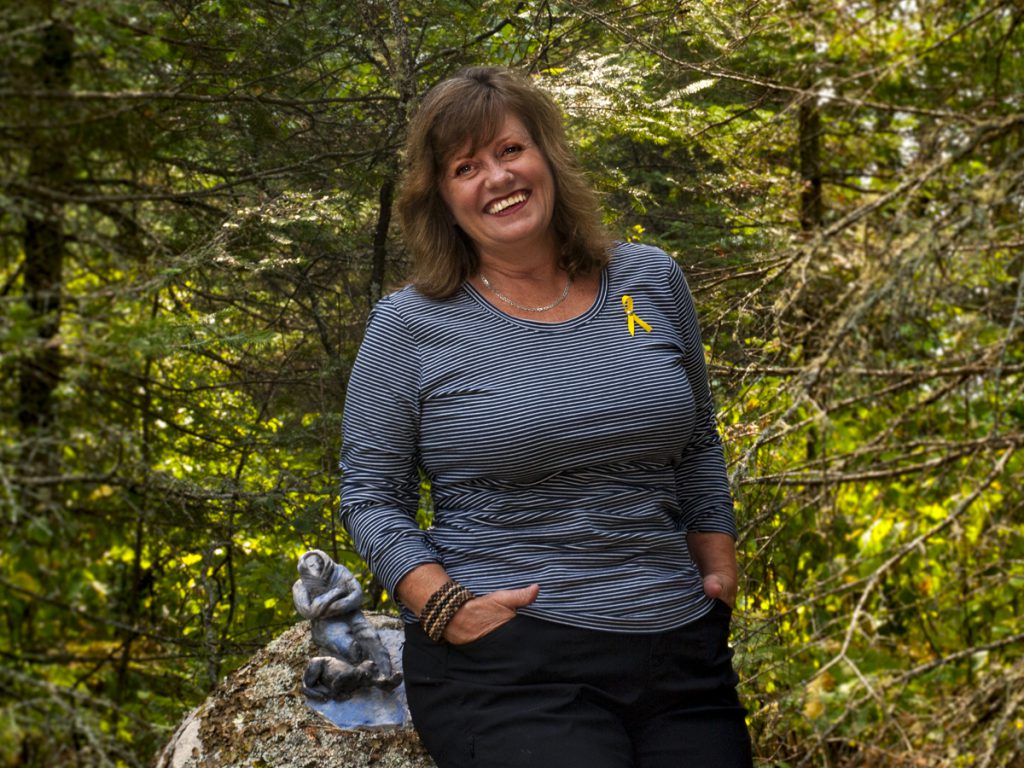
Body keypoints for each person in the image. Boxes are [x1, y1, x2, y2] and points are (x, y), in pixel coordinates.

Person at [339, 66, 753, 767]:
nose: (496, 178)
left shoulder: (649, 280)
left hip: (680, 648)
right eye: (466, 167)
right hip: (512, 665)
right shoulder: (410, 325)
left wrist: (716, 564)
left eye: (509, 151)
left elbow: (697, 440)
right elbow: (370, 496)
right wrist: (445, 606)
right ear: (441, 197)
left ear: (547, 157)